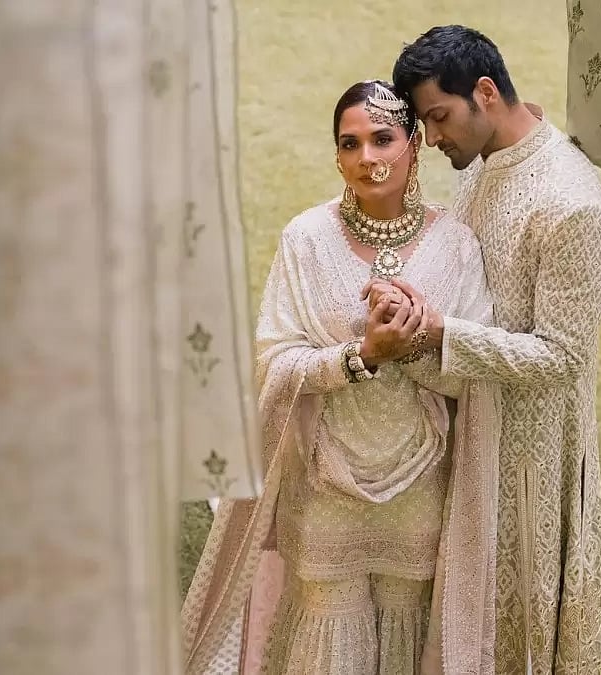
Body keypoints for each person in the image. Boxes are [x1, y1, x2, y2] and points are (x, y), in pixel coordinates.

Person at [180, 79, 501, 675]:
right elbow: (273, 364)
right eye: (350, 144)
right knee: (329, 625)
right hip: (326, 481)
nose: (367, 159)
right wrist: (362, 356)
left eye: (383, 139)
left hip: (420, 483)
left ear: (413, 141)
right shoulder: (307, 239)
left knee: (407, 618)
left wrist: (420, 340)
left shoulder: (455, 245)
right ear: (335, 155)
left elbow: (475, 377)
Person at [388, 25, 601, 674]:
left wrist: (442, 335)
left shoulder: (571, 206)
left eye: (439, 118)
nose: (433, 140)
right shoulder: (487, 160)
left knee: (511, 631)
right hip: (466, 428)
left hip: (529, 458)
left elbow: (560, 356)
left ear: (484, 92)